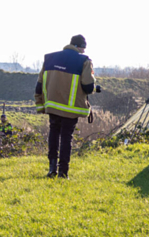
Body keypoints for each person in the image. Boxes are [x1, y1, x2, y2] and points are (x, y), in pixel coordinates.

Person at [35, 35, 101, 178]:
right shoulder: (84, 61)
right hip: (71, 109)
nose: (83, 52)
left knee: (54, 134)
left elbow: (39, 84)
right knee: (66, 137)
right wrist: (95, 87)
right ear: (80, 47)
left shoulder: (50, 58)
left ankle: (52, 168)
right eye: (83, 49)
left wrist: (40, 103)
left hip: (52, 105)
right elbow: (88, 87)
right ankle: (63, 172)